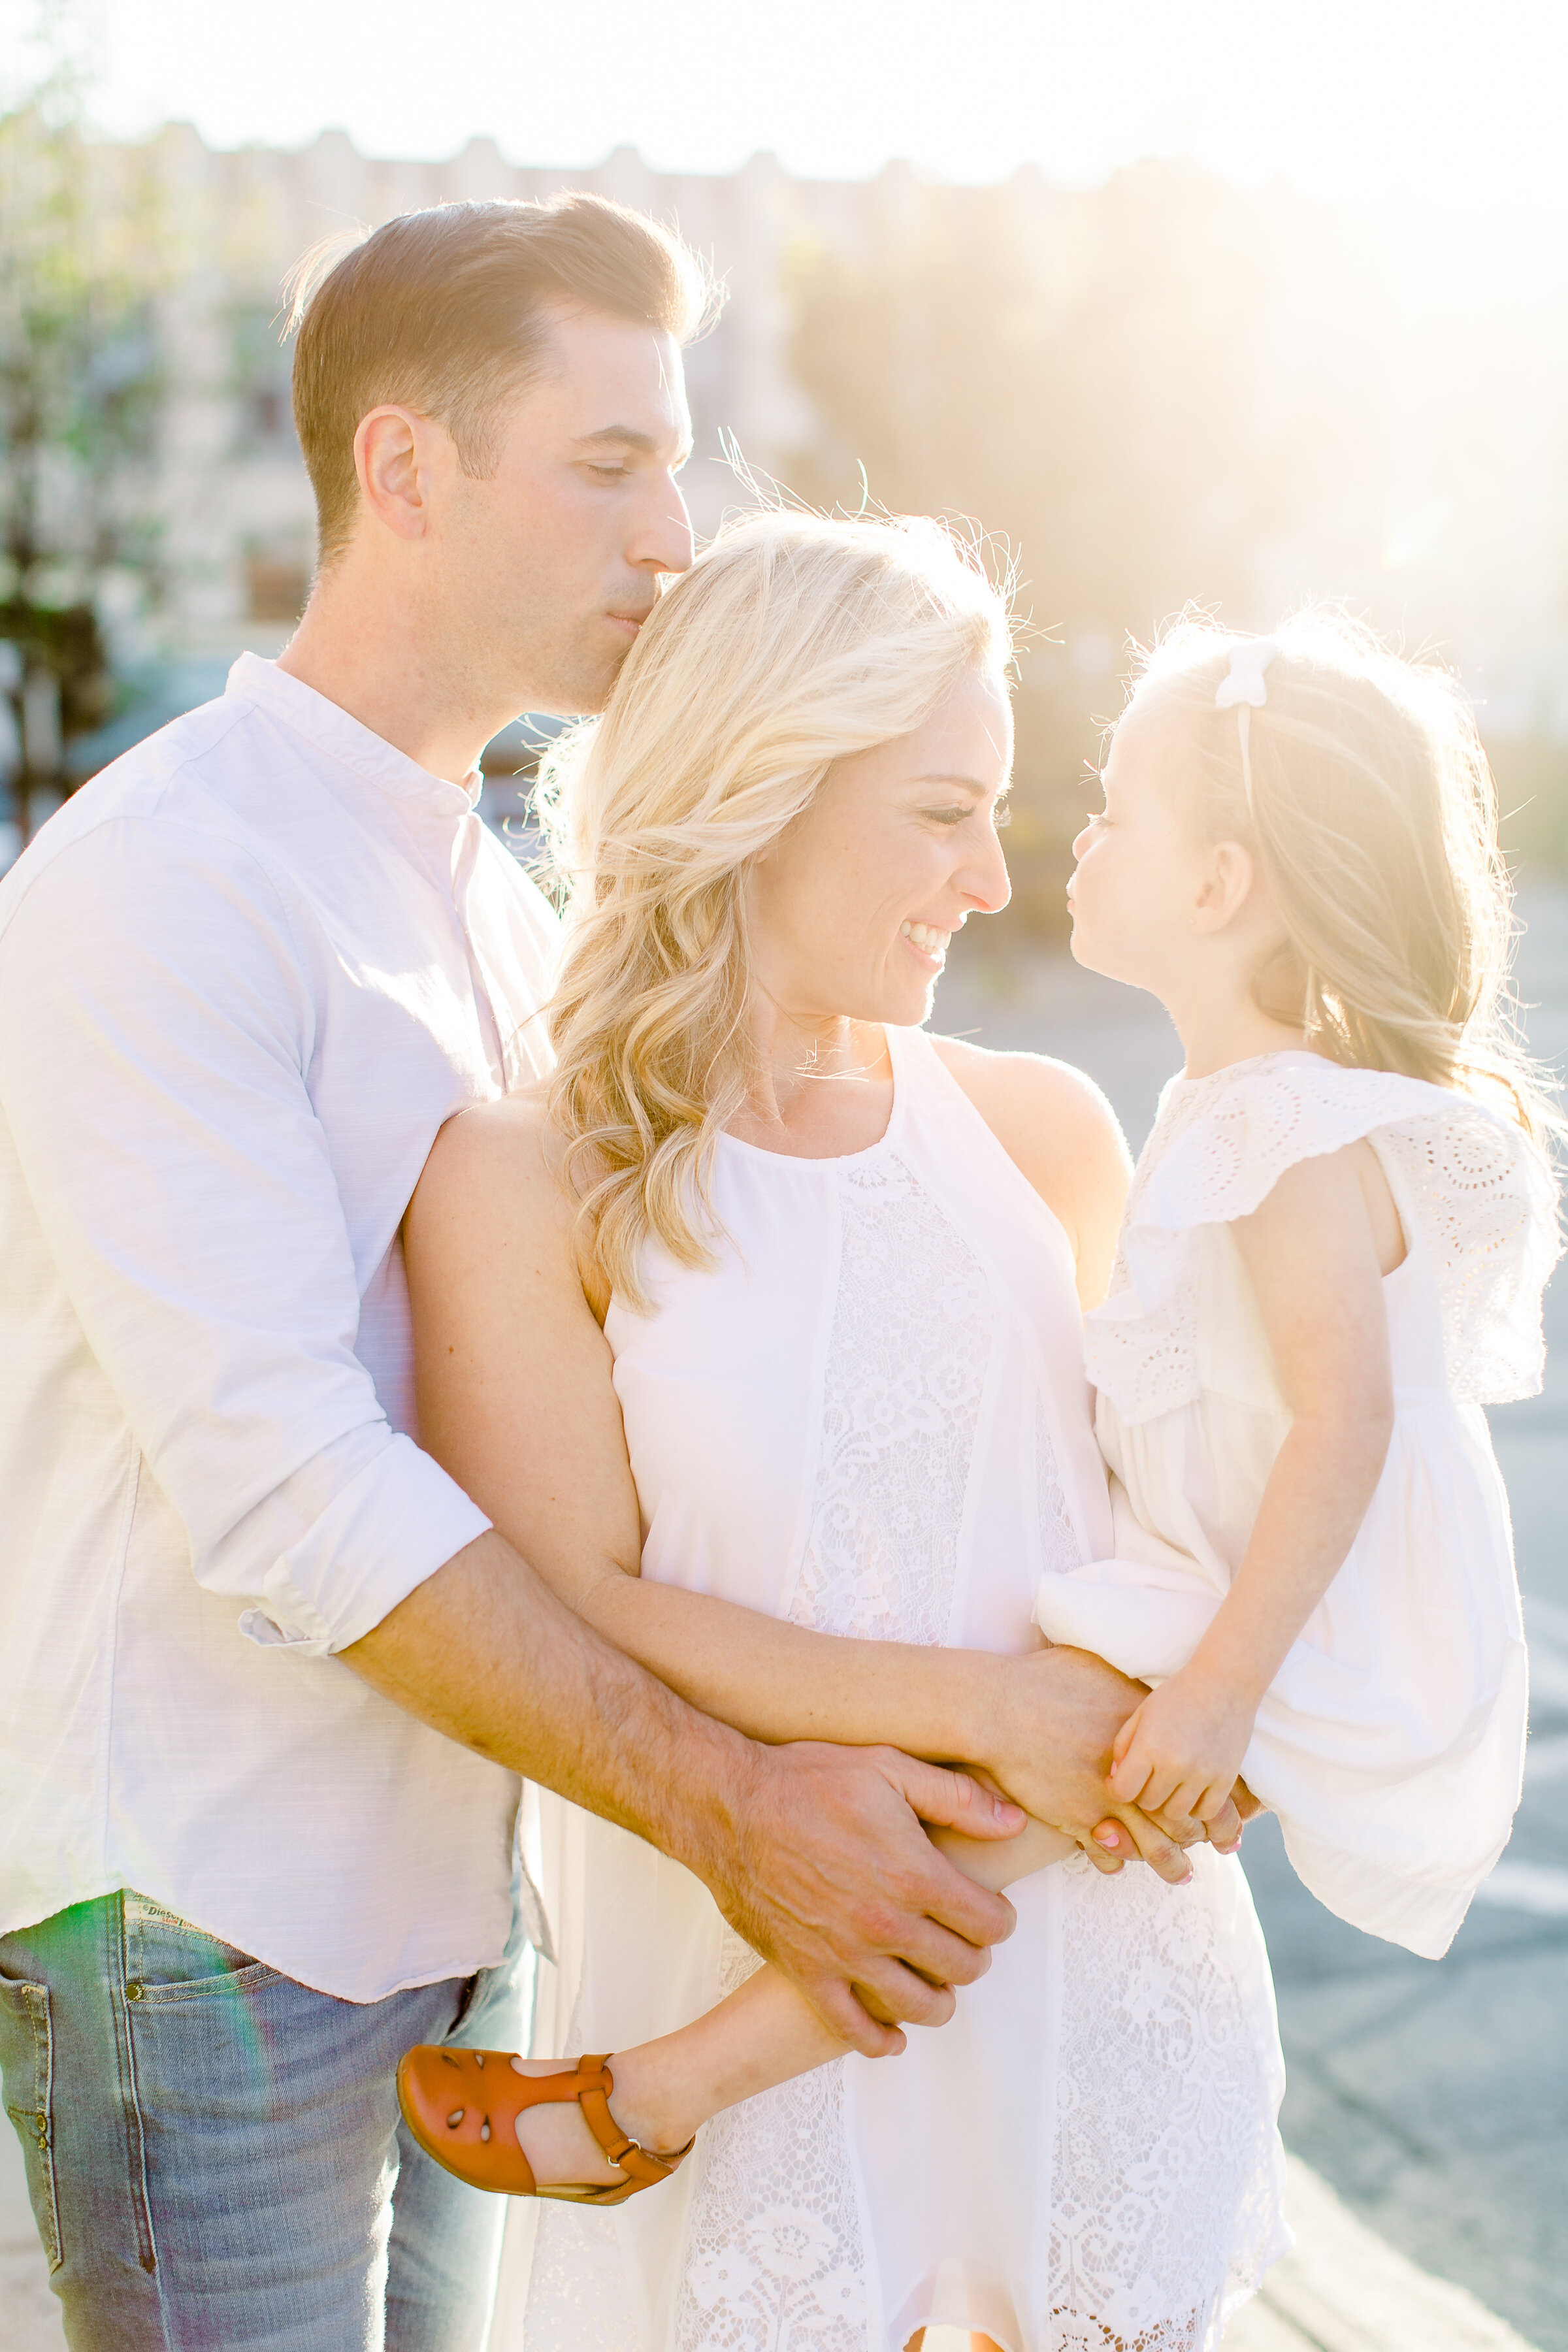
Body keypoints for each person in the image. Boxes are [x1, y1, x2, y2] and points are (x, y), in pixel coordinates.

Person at [0, 197, 1206, 2351]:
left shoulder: (500, 904)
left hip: (475, 1898)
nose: (672, 532)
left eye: (677, 460)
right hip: (203, 1919)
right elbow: (283, 1483)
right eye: (607, 462)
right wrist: (738, 1802)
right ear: (406, 470)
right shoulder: (161, 885)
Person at [395, 510, 1288, 2352]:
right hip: (734, 1990)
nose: (990, 876)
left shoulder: (1046, 1132)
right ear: (761, 789)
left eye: (1001, 814)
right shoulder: (520, 1174)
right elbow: (565, 1607)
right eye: (942, 810)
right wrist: (977, 1710)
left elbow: (1176, 1551)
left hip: (1083, 1989)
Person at [1034, 613, 1560, 1957]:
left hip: (1305, 1606)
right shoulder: (1242, 1106)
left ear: (1216, 887)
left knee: (1016, 1770)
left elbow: (1349, 1416)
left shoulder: (1275, 1126)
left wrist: (1221, 1690)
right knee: (1038, 1791)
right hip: (1258, 1581)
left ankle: (655, 2085)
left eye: (1113, 816)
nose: (1083, 842)